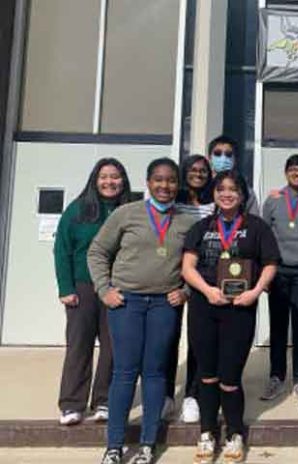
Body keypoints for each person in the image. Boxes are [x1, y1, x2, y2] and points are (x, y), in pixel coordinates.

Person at [88, 158, 197, 464]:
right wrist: (104, 289)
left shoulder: (186, 221)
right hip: (127, 303)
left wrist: (186, 292)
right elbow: (97, 251)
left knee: (155, 373)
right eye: (159, 180)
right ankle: (114, 446)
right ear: (148, 183)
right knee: (124, 373)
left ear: (178, 184)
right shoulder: (126, 214)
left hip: (164, 304)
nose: (165, 186)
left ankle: (148, 444)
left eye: (171, 180)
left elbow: (198, 263)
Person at [182, 170, 279, 464]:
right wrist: (207, 290)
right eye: (221, 189)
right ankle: (207, 433)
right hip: (204, 307)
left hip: (240, 309)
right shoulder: (201, 227)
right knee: (207, 375)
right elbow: (187, 267)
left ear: (242, 195)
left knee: (230, 377)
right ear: (213, 194)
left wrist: (256, 291)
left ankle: (235, 433)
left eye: (233, 189)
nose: (227, 194)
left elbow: (270, 264)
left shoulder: (257, 227)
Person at [54, 158, 132, 426]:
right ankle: (71, 404)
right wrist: (66, 288)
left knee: (113, 347)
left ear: (123, 181)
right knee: (79, 346)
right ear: (95, 180)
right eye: (104, 177)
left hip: (117, 288)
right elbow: (61, 250)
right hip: (83, 288)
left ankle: (104, 400)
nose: (110, 182)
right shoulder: (77, 210)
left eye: (115, 177)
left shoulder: (129, 211)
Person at [261, 155, 298, 401]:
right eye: (292, 169)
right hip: (278, 271)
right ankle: (276, 377)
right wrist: (264, 272)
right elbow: (263, 236)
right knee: (278, 326)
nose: (297, 173)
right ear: (286, 172)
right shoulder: (273, 200)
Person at [165, 154, 215, 424]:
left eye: (203, 170)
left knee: (197, 340)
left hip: (201, 277)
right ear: (184, 172)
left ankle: (192, 396)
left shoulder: (214, 203)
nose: (198, 174)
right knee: (167, 338)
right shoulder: (173, 202)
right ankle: (165, 395)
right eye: (193, 170)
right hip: (172, 275)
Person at [206, 135, 260, 215]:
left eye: (228, 154)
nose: (223, 158)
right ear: (209, 158)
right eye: (218, 154)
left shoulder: (246, 191)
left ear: (235, 159)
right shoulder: (203, 188)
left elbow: (254, 219)